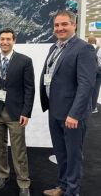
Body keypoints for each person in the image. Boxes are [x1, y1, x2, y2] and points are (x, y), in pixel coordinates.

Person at [40, 10, 96, 196]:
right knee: (61, 153)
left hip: (72, 114)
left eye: (64, 24)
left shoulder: (83, 48)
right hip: (55, 110)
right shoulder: (55, 48)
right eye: (56, 25)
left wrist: (75, 114)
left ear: (74, 25)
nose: (60, 28)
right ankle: (63, 186)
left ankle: (72, 192)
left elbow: (86, 84)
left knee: (73, 156)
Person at [0, 28, 34, 196]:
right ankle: (2, 174)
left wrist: (26, 112)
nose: (5, 42)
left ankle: (23, 182)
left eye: (8, 39)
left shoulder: (25, 61)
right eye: (2, 39)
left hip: (16, 112)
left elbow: (29, 89)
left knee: (19, 149)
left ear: (14, 41)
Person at [88, 36, 101, 113]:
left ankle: (87, 106)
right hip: (98, 72)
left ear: (88, 41)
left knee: (87, 88)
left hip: (88, 72)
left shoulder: (85, 49)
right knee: (96, 90)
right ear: (95, 42)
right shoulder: (100, 49)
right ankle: (93, 107)